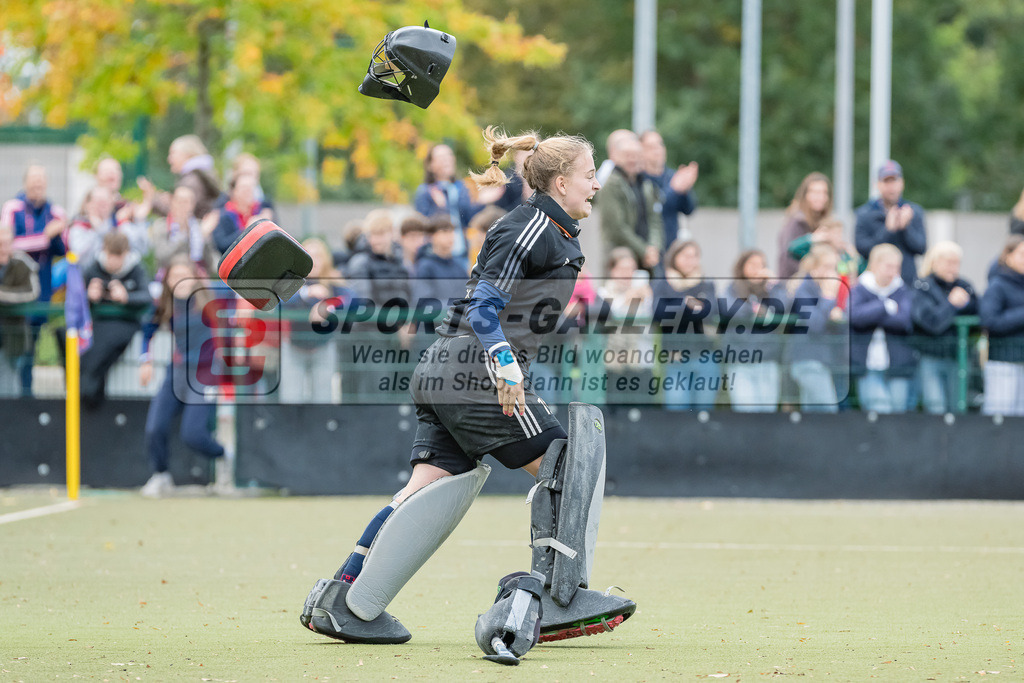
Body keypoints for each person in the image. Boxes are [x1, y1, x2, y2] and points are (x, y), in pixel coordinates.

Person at [300, 126, 634, 649]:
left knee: (425, 488)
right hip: (476, 370)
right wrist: (505, 365)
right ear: (561, 182)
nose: (596, 185)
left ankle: (344, 600)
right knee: (569, 466)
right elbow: (484, 306)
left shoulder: (545, 228)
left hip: (445, 366)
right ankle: (555, 598)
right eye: (590, 176)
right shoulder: (532, 227)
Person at [139, 256, 231, 497]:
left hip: (206, 372)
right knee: (155, 428)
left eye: (184, 276)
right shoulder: (164, 303)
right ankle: (161, 476)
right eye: (175, 276)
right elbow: (147, 331)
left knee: (193, 434)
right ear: (167, 280)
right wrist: (145, 360)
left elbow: (242, 297)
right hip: (177, 371)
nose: (180, 281)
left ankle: (224, 456)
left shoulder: (212, 295)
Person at [1, 164, 68, 395]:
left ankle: (26, 395)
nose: (38, 184)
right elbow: (9, 244)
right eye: (34, 179)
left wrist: (56, 236)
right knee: (18, 346)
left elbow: (64, 248)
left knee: (33, 345)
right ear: (25, 182)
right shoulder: (13, 208)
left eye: (41, 180)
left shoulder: (54, 211)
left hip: (43, 289)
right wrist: (44, 237)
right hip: (15, 287)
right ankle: (18, 394)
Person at [79, 232, 151, 408]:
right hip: (97, 325)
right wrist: (89, 296)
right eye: (111, 255)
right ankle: (87, 394)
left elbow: (147, 297)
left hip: (124, 325)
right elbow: (76, 299)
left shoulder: (136, 269)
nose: (113, 261)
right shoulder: (93, 268)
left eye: (118, 256)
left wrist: (126, 297)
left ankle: (89, 393)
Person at [279, 238, 352, 404]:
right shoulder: (292, 281)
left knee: (323, 399)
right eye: (309, 256)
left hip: (323, 347)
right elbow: (278, 303)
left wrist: (328, 304)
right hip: (294, 347)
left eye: (318, 256)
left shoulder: (332, 281)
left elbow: (350, 299)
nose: (314, 261)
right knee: (291, 399)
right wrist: (306, 293)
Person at [651, 239, 721, 410]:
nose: (690, 260)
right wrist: (686, 304)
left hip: (704, 356)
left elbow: (709, 311)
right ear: (674, 257)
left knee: (704, 414)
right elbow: (659, 313)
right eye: (685, 256)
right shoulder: (663, 283)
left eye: (694, 256)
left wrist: (676, 309)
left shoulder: (706, 283)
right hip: (675, 358)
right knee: (677, 413)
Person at [911, 241, 978, 414]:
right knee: (936, 407)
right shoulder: (922, 286)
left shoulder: (964, 286)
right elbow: (930, 322)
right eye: (948, 262)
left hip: (958, 358)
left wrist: (966, 304)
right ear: (934, 262)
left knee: (958, 407)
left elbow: (980, 315)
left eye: (956, 263)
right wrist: (951, 304)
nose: (953, 268)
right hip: (930, 357)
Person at [849, 243, 916, 413]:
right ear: (874, 265)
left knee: (897, 411)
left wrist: (872, 316)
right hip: (867, 365)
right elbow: (855, 316)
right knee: (879, 410)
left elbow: (904, 321)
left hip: (897, 364)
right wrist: (884, 306)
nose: (893, 272)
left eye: (896, 267)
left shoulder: (901, 290)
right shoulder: (860, 288)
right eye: (889, 266)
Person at [722, 250, 786, 412]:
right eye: (752, 264)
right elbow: (728, 308)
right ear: (742, 266)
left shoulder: (771, 289)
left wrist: (775, 283)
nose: (757, 269)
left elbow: (785, 305)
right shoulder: (732, 289)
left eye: (761, 265)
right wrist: (753, 309)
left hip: (767, 359)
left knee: (767, 413)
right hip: (740, 361)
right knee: (745, 411)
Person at [784, 243, 845, 412]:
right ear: (814, 267)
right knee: (827, 411)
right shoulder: (804, 290)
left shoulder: (823, 289)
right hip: (807, 360)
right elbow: (815, 325)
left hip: (823, 360)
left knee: (813, 414)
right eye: (827, 267)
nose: (832, 273)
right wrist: (828, 297)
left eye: (834, 267)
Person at [598, 131, 663, 272]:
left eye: (636, 155)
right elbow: (616, 228)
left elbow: (654, 219)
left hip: (647, 259)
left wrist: (653, 248)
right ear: (616, 157)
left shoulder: (646, 184)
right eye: (627, 155)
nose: (633, 160)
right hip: (620, 258)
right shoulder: (611, 185)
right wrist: (644, 250)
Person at [413, 143, 492, 259]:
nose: (447, 160)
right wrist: (441, 208)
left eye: (449, 155)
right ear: (430, 165)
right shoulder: (425, 191)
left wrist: (482, 202)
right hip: (437, 255)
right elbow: (424, 227)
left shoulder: (461, 187)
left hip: (462, 252)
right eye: (441, 157)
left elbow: (468, 219)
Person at [596, 247, 654, 405]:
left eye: (631, 269)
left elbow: (651, 322)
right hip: (612, 363)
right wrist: (626, 300)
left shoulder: (644, 292)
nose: (627, 274)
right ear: (612, 270)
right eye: (622, 269)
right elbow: (607, 317)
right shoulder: (603, 292)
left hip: (640, 361)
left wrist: (648, 299)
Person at [855, 160, 927, 287]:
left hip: (907, 284)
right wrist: (888, 230)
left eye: (894, 181)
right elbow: (863, 250)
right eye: (886, 181)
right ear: (877, 184)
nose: (891, 186)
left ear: (902, 183)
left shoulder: (913, 211)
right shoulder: (865, 213)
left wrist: (905, 228)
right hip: (875, 285)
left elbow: (921, 248)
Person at [979, 235, 1024, 416]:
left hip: (1021, 362)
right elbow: (989, 321)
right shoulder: (998, 285)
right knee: (1000, 416)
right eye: (1022, 254)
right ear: (1008, 256)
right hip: (1003, 363)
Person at [140, 134, 222, 220]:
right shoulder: (198, 176)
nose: (169, 159)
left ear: (187, 154)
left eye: (173, 153)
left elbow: (179, 213)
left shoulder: (191, 181)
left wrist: (152, 197)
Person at [0, 224, 41, 396]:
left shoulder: (22, 262)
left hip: (13, 334)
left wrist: (3, 296)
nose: (3, 248)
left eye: (6, 243)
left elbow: (33, 292)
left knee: (10, 381)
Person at [786, 216, 861, 309]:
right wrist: (813, 237)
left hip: (843, 300)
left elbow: (860, 270)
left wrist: (856, 257)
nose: (839, 237)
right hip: (820, 299)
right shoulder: (816, 252)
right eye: (836, 233)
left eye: (840, 233)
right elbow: (792, 249)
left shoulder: (844, 255)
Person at [640, 129, 698, 247]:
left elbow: (689, 210)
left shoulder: (672, 176)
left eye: (660, 145)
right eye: (651, 147)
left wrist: (685, 190)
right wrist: (674, 190)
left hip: (671, 246)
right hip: (648, 247)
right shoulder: (638, 179)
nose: (657, 150)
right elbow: (654, 210)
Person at [149, 185, 218, 279]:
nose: (182, 206)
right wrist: (185, 235)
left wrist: (203, 237)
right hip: (168, 277)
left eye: (186, 202)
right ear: (172, 202)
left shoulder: (199, 226)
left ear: (193, 205)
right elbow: (161, 257)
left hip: (195, 277)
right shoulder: (161, 226)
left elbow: (211, 262)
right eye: (179, 201)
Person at [68, 185, 149, 265]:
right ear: (88, 204)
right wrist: (96, 230)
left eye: (106, 201)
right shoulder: (80, 225)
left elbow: (142, 249)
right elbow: (79, 255)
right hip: (88, 272)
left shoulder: (119, 222)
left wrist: (139, 220)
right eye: (98, 201)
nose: (103, 205)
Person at [777, 172, 833, 279]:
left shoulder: (823, 222)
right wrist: (812, 239)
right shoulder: (796, 221)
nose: (820, 197)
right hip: (795, 282)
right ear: (805, 195)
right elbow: (787, 256)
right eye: (815, 192)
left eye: (824, 193)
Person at [413, 217, 469, 306]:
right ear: (431, 236)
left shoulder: (459, 266)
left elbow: (467, 296)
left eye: (452, 232)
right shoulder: (425, 267)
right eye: (444, 232)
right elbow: (423, 303)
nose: (450, 236)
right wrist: (454, 307)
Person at [212, 174, 273, 254]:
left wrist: (268, 226)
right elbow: (221, 246)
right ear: (234, 191)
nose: (248, 191)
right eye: (244, 188)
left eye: (251, 187)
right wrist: (247, 230)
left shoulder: (261, 211)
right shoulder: (223, 215)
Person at [397, 213, 429, 277]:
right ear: (402, 238)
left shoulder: (428, 262)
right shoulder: (397, 263)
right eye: (412, 237)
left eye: (420, 236)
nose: (418, 242)